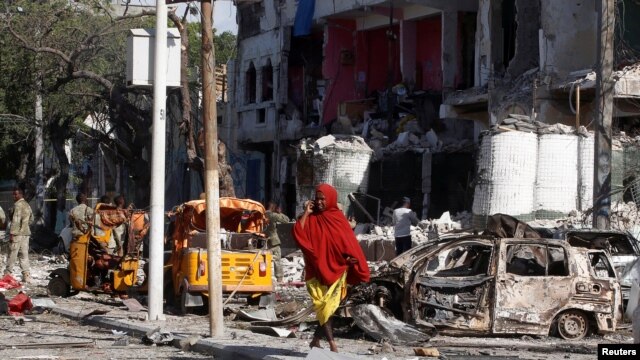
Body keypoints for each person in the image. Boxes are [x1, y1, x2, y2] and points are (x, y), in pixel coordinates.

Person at [293, 183, 370, 352]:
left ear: (331, 199)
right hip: (316, 271)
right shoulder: (311, 218)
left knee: (330, 308)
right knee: (324, 307)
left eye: (323, 199)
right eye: (317, 199)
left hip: (338, 270)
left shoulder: (338, 218)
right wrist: (306, 212)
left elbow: (346, 242)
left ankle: (315, 339)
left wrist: (350, 258)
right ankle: (333, 345)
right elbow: (299, 234)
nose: (319, 202)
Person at [2, 187, 34, 283]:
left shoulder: (17, 205)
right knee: (24, 255)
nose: (13, 196)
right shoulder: (27, 205)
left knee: (12, 254)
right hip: (26, 234)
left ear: (21, 194)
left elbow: (15, 221)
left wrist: (12, 233)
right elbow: (31, 219)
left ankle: (7, 275)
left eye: (15, 194)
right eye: (13, 194)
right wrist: (25, 226)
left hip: (17, 234)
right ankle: (26, 275)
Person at [265, 200, 289, 283]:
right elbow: (286, 220)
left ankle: (264, 277)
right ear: (273, 208)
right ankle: (279, 278)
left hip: (263, 241)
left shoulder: (261, 214)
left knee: (264, 260)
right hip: (273, 241)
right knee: (277, 260)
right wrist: (279, 213)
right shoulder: (272, 215)